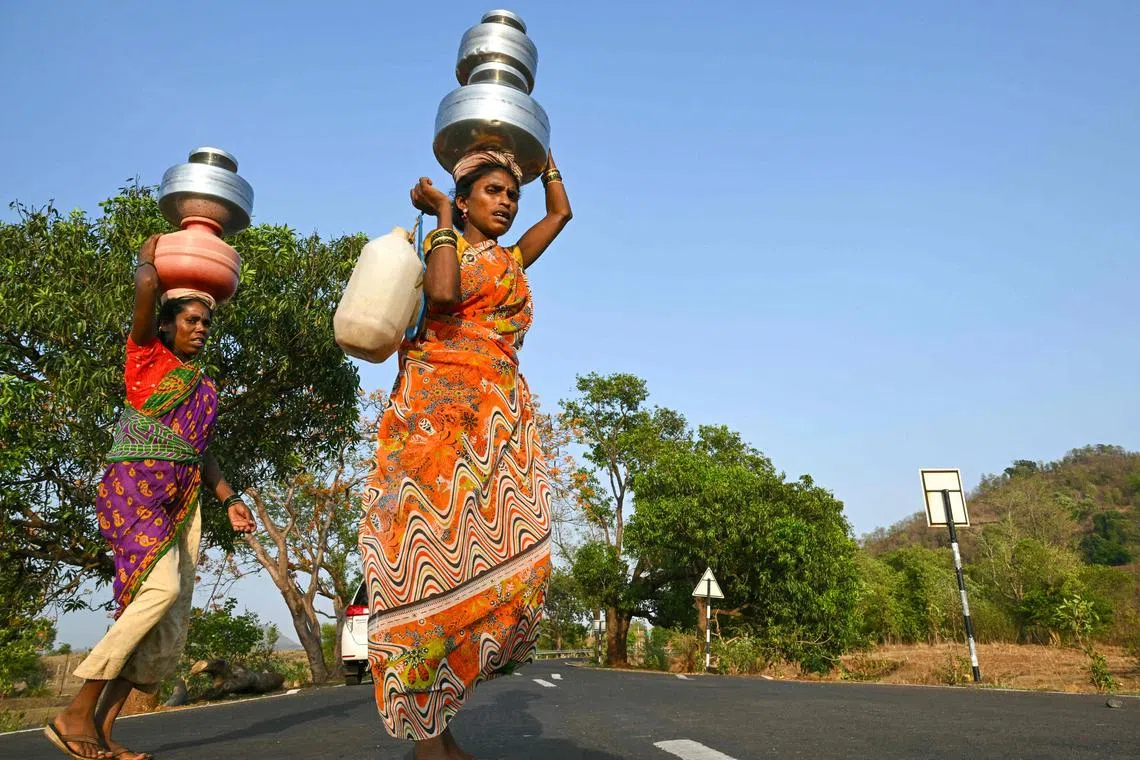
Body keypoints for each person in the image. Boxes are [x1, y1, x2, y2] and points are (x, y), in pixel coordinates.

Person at [359, 150, 572, 759]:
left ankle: (438, 735)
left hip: (497, 420)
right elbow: (447, 297)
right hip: (433, 421)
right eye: (495, 192)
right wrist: (445, 215)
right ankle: (434, 745)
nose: (506, 202)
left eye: (513, 193)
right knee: (421, 571)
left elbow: (562, 213)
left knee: (523, 561)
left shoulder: (513, 258)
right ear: (467, 195)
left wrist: (542, 152)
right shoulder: (445, 247)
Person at [45, 234, 256, 760]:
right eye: (191, 320)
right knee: (156, 592)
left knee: (163, 620)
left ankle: (101, 730)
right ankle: (74, 713)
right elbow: (145, 283)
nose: (202, 329)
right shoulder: (146, 359)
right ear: (165, 325)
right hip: (132, 493)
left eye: (207, 323)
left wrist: (230, 497)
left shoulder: (204, 389)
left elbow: (201, 452)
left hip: (182, 502)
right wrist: (150, 250)